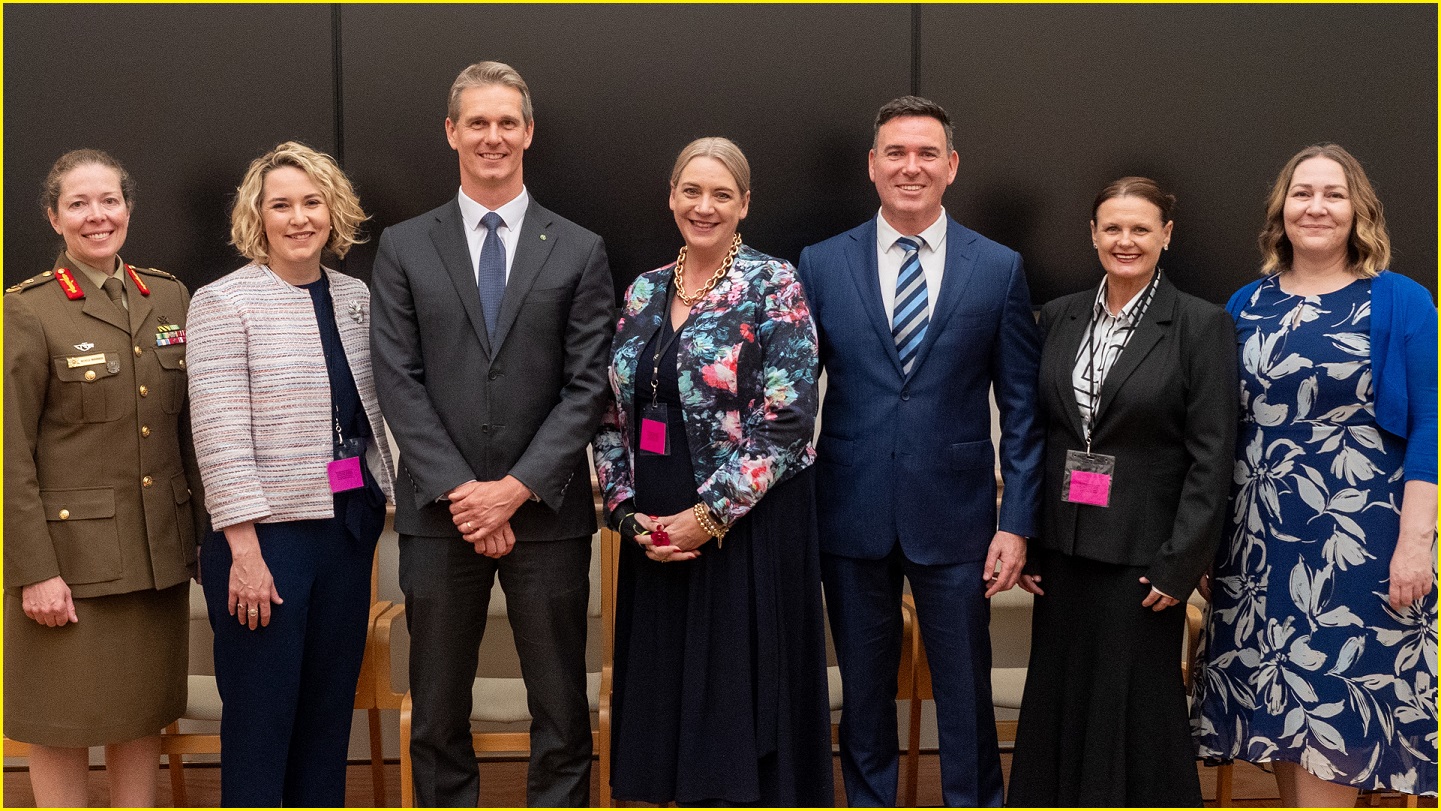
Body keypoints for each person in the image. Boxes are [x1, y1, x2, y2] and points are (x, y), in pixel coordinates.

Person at [369, 60, 614, 807]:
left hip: (546, 513)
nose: (492, 136)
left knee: (562, 712)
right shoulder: (405, 247)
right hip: (440, 519)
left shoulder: (578, 248)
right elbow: (396, 380)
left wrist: (511, 490)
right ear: (451, 132)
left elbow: (587, 385)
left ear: (529, 132)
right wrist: (463, 492)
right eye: (477, 121)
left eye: (507, 121)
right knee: (438, 713)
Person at [795, 95, 1043, 807]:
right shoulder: (819, 263)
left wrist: (1016, 521)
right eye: (896, 153)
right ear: (871, 165)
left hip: (960, 520)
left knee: (964, 693)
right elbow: (786, 396)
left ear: (952, 166)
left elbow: (1022, 411)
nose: (911, 166)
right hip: (848, 513)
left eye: (926, 153)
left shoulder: (996, 268)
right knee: (863, 695)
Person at [1192, 143, 1438, 804]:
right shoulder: (1245, 303)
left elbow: (1430, 429)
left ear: (1359, 210)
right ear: (1281, 210)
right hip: (1257, 545)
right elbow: (1218, 428)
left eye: (1332, 194)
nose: (1316, 207)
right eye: (1302, 193)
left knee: (1338, 712)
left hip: (1358, 544)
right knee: (1278, 715)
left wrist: (1416, 545)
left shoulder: (1401, 303)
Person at [593, 137, 834, 806]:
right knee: (667, 712)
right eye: (691, 191)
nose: (704, 206)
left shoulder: (772, 282)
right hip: (655, 530)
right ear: (671, 197)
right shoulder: (642, 288)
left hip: (744, 526)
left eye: (721, 194)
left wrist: (708, 516)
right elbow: (610, 412)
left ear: (744, 205)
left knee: (733, 709)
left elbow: (787, 422)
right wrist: (623, 511)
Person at [1006, 177, 1238, 805]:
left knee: (1133, 706)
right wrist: (1025, 531)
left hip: (1144, 560)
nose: (1125, 240)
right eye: (1112, 228)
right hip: (1062, 552)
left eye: (1140, 229)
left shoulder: (1200, 325)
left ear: (1166, 236)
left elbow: (1212, 457)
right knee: (1059, 696)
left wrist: (1182, 564)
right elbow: (1037, 433)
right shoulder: (1059, 316)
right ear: (1092, 235)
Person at [186, 141, 394, 806]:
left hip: (346, 531)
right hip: (265, 545)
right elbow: (217, 436)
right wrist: (244, 553)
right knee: (260, 724)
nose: (299, 217)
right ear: (259, 216)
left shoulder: (356, 296)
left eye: (312, 202)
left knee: (327, 721)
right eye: (282, 204)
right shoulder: (224, 302)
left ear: (334, 212)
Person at [3, 149, 203, 807]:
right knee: (59, 724)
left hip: (155, 556)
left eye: (110, 200)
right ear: (53, 216)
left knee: (140, 715)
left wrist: (201, 538)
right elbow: (10, 456)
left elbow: (185, 433)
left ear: (129, 208)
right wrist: (34, 570)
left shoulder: (168, 294)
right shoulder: (28, 310)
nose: (98, 215)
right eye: (79, 203)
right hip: (71, 565)